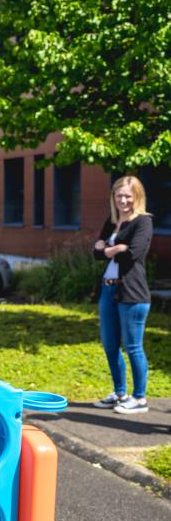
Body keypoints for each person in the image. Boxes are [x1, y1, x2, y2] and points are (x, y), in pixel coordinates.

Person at [92, 176, 154, 415]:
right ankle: (120, 393)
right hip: (108, 290)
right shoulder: (112, 221)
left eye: (128, 195)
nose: (123, 200)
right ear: (113, 197)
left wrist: (111, 249)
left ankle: (139, 399)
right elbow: (96, 254)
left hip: (132, 293)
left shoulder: (143, 222)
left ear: (137, 197)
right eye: (119, 195)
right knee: (109, 344)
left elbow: (133, 254)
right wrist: (117, 248)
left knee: (133, 346)